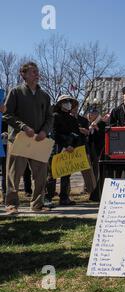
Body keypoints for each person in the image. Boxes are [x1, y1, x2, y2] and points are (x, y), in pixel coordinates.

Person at [3, 62, 53, 213]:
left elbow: (50, 117)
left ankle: (37, 204)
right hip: (19, 139)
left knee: (41, 174)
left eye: (37, 72)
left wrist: (44, 131)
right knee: (14, 173)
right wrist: (23, 127)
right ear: (23, 75)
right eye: (33, 72)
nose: (37, 74)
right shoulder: (15, 92)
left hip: (39, 140)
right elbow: (7, 114)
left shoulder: (44, 95)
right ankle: (11, 204)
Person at [45, 95, 83, 206]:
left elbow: (77, 135)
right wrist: (65, 144)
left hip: (70, 150)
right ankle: (48, 197)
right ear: (60, 104)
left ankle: (64, 197)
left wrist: (74, 146)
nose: (68, 103)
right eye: (66, 101)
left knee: (66, 173)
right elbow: (54, 134)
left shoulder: (72, 119)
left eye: (70, 102)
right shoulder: (54, 116)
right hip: (57, 148)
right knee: (52, 173)